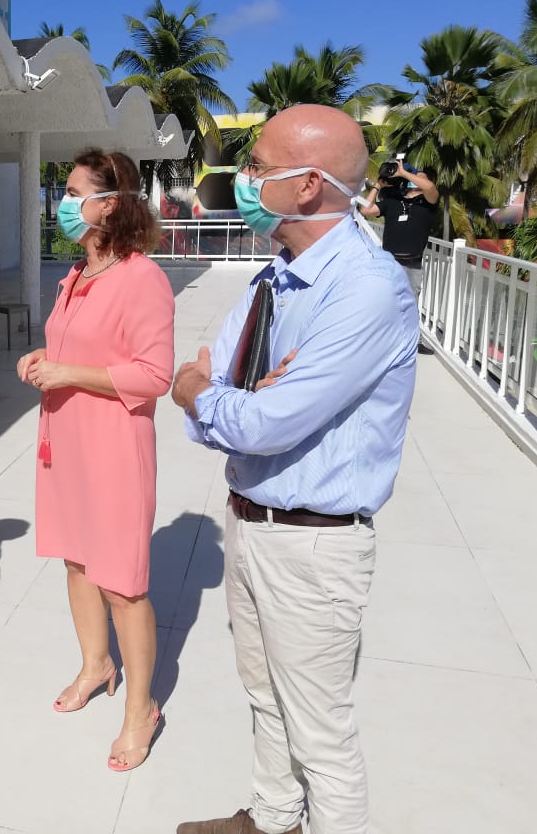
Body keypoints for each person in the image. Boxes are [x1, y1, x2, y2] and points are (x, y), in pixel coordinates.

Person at [170, 106, 418, 834]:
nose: (244, 179)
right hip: (251, 518)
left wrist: (211, 396)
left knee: (321, 735)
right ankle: (272, 818)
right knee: (265, 697)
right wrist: (221, 397)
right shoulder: (274, 277)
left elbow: (254, 418)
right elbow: (217, 387)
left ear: (307, 184)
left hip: (313, 543)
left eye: (257, 166)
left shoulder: (366, 287)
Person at [16, 149, 174, 772]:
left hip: (113, 447)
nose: (63, 200)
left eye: (74, 191)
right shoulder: (78, 274)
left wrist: (69, 373)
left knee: (123, 583)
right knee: (77, 560)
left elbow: (154, 374)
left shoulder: (141, 277)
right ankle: (96, 664)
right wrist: (43, 359)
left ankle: (141, 708)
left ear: (109, 204)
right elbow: (77, 347)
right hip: (66, 441)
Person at [359, 160, 439, 329]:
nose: (417, 179)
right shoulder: (393, 201)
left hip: (412, 263)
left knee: (410, 305)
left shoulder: (428, 203)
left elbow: (430, 188)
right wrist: (378, 185)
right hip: (390, 262)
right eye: (415, 177)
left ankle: (411, 338)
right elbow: (365, 210)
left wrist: (404, 173)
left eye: (421, 177)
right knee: (386, 302)